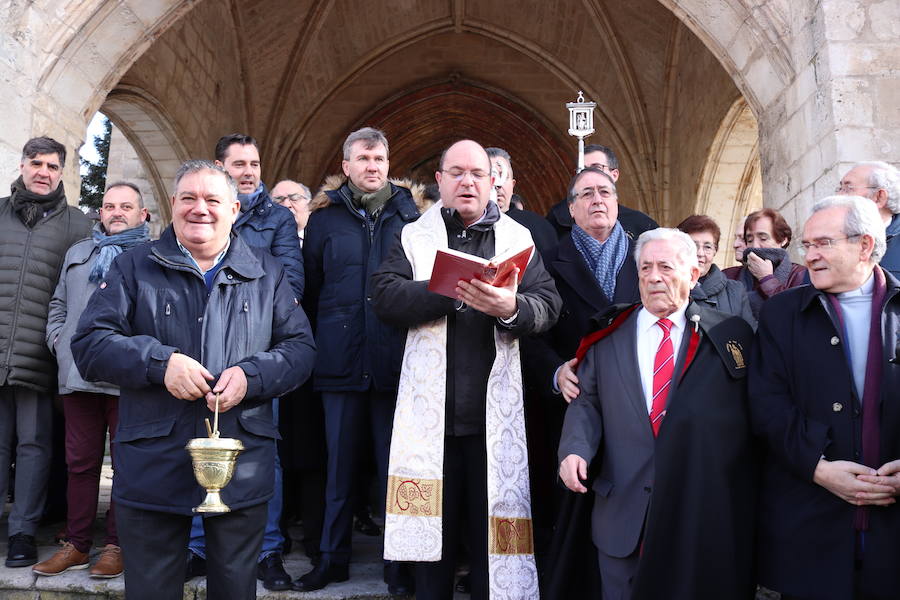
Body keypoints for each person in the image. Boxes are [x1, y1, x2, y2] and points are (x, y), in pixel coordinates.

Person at [70, 160, 315, 600]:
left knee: (235, 590)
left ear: (235, 209)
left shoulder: (266, 272)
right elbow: (89, 345)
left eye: (212, 199)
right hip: (153, 460)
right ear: (172, 205)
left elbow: (300, 350)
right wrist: (159, 363)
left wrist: (251, 375)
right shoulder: (132, 266)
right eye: (188, 198)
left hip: (241, 459)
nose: (199, 208)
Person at [371, 139, 561, 600]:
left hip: (494, 421)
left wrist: (510, 306)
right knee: (431, 547)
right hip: (430, 421)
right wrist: (451, 289)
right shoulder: (413, 235)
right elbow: (385, 296)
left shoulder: (519, 239)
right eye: (456, 173)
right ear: (439, 182)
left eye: (477, 173)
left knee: (490, 543)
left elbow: (549, 304)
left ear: (493, 182)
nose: (467, 182)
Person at [558, 227, 757, 600]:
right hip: (623, 513)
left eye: (665, 267)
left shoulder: (727, 338)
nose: (653, 277)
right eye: (646, 268)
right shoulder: (609, 334)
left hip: (696, 514)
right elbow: (588, 402)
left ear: (694, 274)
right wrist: (574, 449)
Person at [750, 195, 900, 600]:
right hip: (809, 525)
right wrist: (818, 468)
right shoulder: (781, 313)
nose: (810, 256)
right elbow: (767, 405)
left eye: (823, 244)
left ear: (865, 245)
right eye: (807, 245)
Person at [295, 127, 419, 595]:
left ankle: (399, 566)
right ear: (345, 166)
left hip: (394, 363)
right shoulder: (325, 220)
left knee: (396, 470)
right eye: (364, 158)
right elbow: (310, 290)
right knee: (338, 469)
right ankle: (332, 558)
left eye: (380, 158)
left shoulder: (411, 217)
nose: (373, 166)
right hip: (340, 363)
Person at [182, 134, 304, 590]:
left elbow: (289, 283)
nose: (250, 171)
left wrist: (256, 356)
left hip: (254, 358)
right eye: (240, 164)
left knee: (261, 455)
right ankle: (197, 545)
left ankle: (267, 550)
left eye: (255, 163)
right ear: (220, 166)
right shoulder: (194, 216)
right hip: (197, 354)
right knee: (198, 448)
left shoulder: (277, 219)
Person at [35, 182, 150, 578]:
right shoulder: (79, 252)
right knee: (80, 463)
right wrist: (59, 341)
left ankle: (116, 545)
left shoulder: (153, 256)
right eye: (109, 206)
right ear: (100, 212)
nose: (116, 212)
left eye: (126, 206)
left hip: (127, 379)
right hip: (78, 375)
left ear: (143, 214)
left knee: (126, 463)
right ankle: (78, 544)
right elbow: (58, 304)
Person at [0, 136, 92, 568]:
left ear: (62, 173)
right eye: (36, 163)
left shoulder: (77, 225)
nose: (44, 172)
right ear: (22, 165)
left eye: (53, 166)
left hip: (39, 356)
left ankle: (22, 532)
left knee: (35, 446)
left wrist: (62, 344)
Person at [546, 143, 658, 241]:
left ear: (614, 175)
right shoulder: (558, 217)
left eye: (597, 168)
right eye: (582, 169)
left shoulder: (641, 225)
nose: (589, 174)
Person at [724, 207, 807, 317]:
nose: (755, 246)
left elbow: (793, 315)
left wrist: (767, 279)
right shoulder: (729, 276)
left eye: (763, 238)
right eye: (749, 240)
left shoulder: (799, 275)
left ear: (783, 240)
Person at [677, 214, 755, 325]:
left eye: (707, 247)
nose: (700, 253)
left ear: (715, 251)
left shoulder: (736, 291)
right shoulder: (668, 287)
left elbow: (748, 335)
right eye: (693, 246)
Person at [485, 147, 557, 254]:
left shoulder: (538, 227)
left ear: (513, 185)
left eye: (503, 176)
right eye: (491, 176)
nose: (498, 185)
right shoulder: (464, 226)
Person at [837, 161, 900, 278]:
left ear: (879, 197)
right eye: (839, 188)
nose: (838, 196)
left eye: (848, 188)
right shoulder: (828, 241)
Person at [271, 179, 312, 245]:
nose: (287, 205)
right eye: (279, 200)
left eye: (295, 198)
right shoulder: (260, 241)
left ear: (309, 205)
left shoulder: (323, 238)